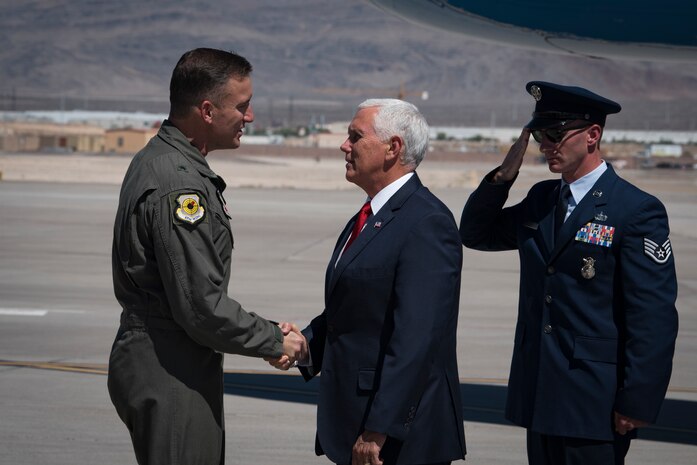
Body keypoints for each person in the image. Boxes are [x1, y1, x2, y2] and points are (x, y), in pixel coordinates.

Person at [459, 81, 678, 465]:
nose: (545, 145)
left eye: (556, 134)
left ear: (593, 135)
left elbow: (652, 317)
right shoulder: (542, 200)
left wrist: (637, 400)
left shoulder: (636, 210)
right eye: (541, 135)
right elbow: (476, 234)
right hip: (539, 392)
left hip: (593, 401)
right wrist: (502, 178)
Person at [107, 48, 306, 465]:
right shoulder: (180, 185)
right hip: (169, 363)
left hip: (174, 355)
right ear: (207, 110)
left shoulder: (164, 160)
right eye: (243, 106)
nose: (250, 117)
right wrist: (274, 338)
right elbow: (200, 306)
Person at [269, 99, 466, 465]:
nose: (345, 145)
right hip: (357, 424)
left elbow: (416, 338)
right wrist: (304, 346)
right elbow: (354, 314)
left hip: (396, 440)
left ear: (393, 148)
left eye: (355, 136)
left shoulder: (426, 222)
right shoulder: (369, 216)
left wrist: (380, 426)